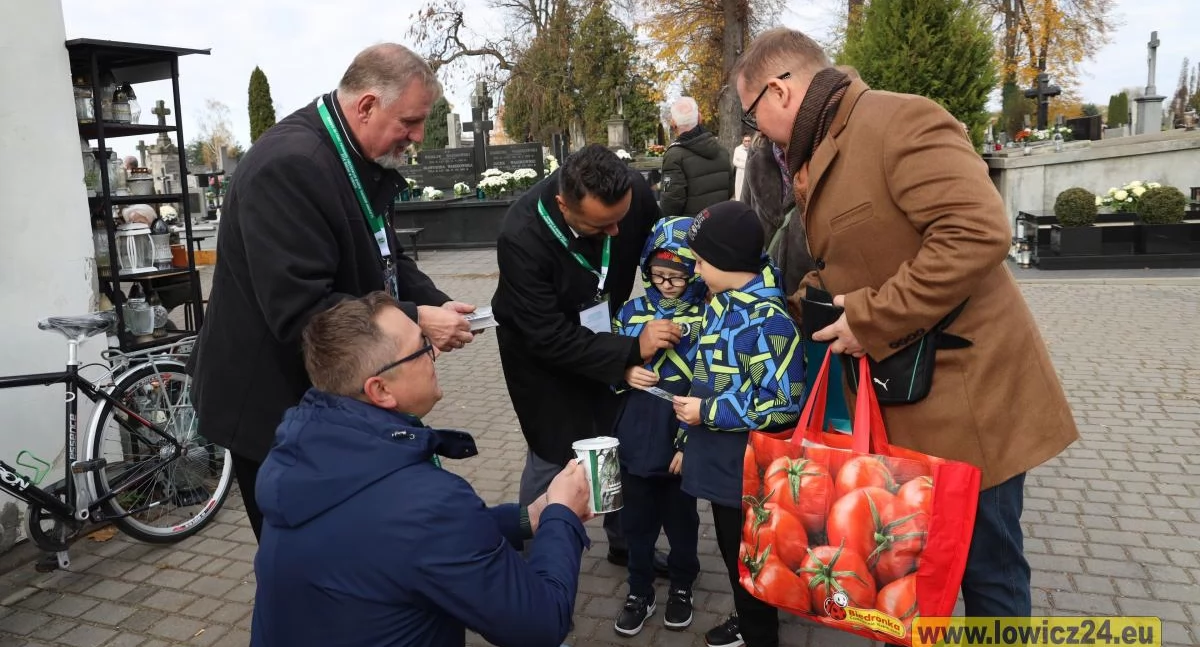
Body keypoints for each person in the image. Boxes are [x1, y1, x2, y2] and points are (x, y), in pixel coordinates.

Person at [731, 27, 1080, 619]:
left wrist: (869, 319)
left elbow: (976, 233)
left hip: (970, 405)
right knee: (922, 573)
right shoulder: (820, 147)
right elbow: (851, 258)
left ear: (779, 91)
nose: (753, 129)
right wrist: (777, 303)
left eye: (751, 114)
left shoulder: (899, 121)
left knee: (987, 568)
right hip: (909, 396)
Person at [187, 43, 476, 541]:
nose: (418, 136)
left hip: (326, 395)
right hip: (273, 406)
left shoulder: (356, 157)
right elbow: (302, 310)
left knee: (351, 546)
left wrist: (432, 300)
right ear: (366, 105)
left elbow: (385, 255)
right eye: (410, 120)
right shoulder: (289, 166)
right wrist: (416, 320)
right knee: (307, 555)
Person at [250, 292, 592, 647]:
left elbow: (401, 538)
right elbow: (540, 625)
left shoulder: (302, 454)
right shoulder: (425, 502)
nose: (435, 354)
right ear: (380, 389)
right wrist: (561, 516)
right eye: (421, 347)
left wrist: (528, 518)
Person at [491, 144, 676, 573]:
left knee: (614, 436)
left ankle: (625, 543)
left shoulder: (633, 194)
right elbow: (548, 336)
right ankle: (531, 567)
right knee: (554, 452)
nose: (616, 233)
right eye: (601, 226)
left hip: (604, 334)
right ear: (562, 204)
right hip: (541, 358)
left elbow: (663, 254)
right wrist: (633, 348)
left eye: (620, 220)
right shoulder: (520, 235)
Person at [671, 201, 806, 647]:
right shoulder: (721, 302)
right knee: (735, 555)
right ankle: (749, 617)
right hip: (716, 459)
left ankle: (759, 630)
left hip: (746, 470)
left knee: (750, 555)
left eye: (701, 261)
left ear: (728, 263)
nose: (694, 270)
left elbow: (782, 404)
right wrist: (684, 439)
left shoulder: (769, 322)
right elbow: (707, 374)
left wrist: (707, 413)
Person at [609, 216, 706, 637]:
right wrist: (625, 370)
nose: (666, 285)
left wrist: (689, 445)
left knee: (682, 521)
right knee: (637, 524)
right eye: (658, 275)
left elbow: (711, 382)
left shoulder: (708, 316)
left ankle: (682, 583)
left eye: (678, 277)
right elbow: (607, 360)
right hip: (634, 436)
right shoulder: (631, 311)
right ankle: (639, 589)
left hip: (679, 439)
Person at [659, 97, 734, 217]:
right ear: (700, 118)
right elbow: (730, 190)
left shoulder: (674, 156)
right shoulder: (722, 151)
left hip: (690, 230)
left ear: (673, 123)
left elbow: (671, 203)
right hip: (719, 224)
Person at [731, 135, 751, 201]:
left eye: (749, 141)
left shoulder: (753, 149)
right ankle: (738, 201)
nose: (747, 142)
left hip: (750, 172)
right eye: (746, 141)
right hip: (740, 172)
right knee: (739, 187)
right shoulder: (738, 149)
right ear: (742, 141)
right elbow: (735, 161)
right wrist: (745, 165)